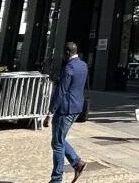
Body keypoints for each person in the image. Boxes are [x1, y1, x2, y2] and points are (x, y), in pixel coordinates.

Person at [49, 42, 87, 183]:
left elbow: (62, 91)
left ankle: (56, 179)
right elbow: (75, 84)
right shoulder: (83, 65)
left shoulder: (68, 67)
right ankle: (77, 163)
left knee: (58, 143)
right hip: (77, 107)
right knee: (59, 140)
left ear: (66, 53)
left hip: (65, 109)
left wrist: (50, 111)